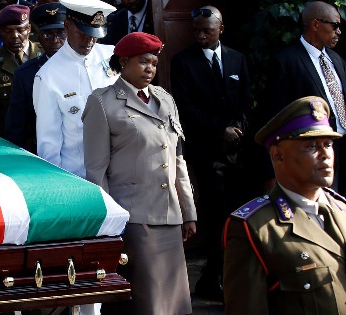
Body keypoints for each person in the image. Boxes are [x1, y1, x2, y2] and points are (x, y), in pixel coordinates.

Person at [83, 31, 197, 315]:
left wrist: (189, 211)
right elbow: (96, 170)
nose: (150, 69)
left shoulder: (164, 99)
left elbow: (177, 159)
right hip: (133, 216)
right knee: (150, 300)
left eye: (154, 63)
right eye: (143, 62)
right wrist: (109, 224)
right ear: (123, 62)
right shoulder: (103, 102)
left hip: (170, 214)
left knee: (177, 299)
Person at [223, 96, 346, 314]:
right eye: (311, 146)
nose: (326, 154)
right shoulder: (255, 228)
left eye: (328, 144)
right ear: (278, 156)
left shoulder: (342, 210)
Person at [169, 5, 252, 301]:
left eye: (207, 30)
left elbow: (246, 102)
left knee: (238, 214)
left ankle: (225, 275)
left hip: (238, 153)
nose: (201, 36)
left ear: (221, 29)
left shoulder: (237, 59)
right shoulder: (183, 62)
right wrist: (221, 131)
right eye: (196, 31)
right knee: (217, 217)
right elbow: (186, 107)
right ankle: (212, 277)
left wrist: (237, 129)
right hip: (206, 152)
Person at [261, 1, 346, 195]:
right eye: (335, 25)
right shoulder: (286, 61)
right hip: (314, 155)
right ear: (315, 25)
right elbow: (273, 119)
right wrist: (272, 172)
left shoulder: (337, 60)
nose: (339, 31)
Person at [33, 0, 117, 178]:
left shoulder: (112, 56)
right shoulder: (48, 76)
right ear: (67, 26)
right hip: (81, 175)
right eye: (83, 33)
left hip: (120, 171)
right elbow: (49, 144)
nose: (89, 40)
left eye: (94, 35)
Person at [4, 2, 65, 153]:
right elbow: (17, 126)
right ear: (39, 38)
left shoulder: (85, 67)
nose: (55, 40)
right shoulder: (25, 74)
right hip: (42, 152)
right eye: (47, 34)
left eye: (61, 33)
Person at [0, 4, 43, 137]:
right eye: (8, 31)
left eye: (20, 30)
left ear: (29, 28)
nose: (15, 36)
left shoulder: (47, 54)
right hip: (10, 139)